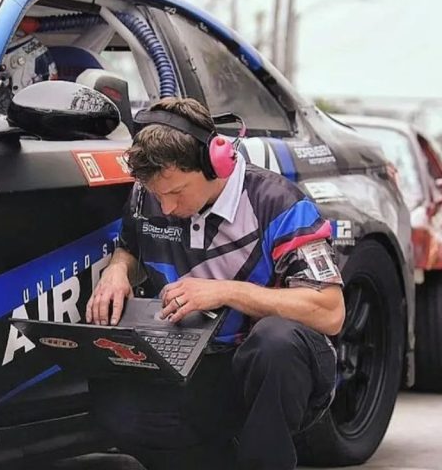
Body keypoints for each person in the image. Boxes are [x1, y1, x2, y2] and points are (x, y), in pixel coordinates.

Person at [85, 97, 345, 470]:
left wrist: (226, 291)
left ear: (215, 163)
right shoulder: (148, 194)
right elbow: (130, 246)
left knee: (276, 341)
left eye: (177, 192)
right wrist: (117, 270)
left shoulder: (278, 203)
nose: (167, 207)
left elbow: (330, 311)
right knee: (113, 398)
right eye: (159, 195)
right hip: (193, 363)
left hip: (264, 367)